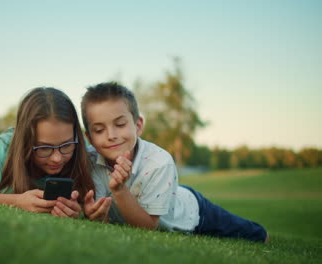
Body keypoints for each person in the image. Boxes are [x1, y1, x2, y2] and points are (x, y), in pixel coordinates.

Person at [81, 82, 269, 242]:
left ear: (138, 126)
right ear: (89, 136)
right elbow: (103, 218)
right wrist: (95, 214)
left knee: (252, 234)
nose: (111, 136)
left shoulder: (159, 162)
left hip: (193, 213)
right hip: (165, 194)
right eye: (99, 130)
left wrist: (120, 189)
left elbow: (147, 228)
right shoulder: (88, 161)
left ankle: (262, 233)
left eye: (120, 125)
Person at [0, 87, 94, 218]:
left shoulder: (82, 150)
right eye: (44, 148)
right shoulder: (5, 146)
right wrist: (16, 201)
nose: (57, 158)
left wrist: (77, 211)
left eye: (66, 145)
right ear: (25, 140)